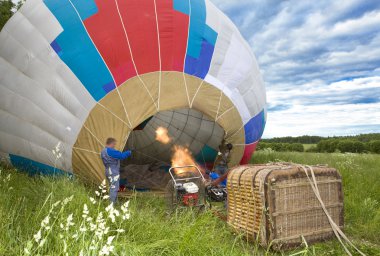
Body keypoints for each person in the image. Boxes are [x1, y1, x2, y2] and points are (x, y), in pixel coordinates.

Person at [101, 138, 132, 204]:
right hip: (113, 171)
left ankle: (114, 202)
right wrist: (129, 152)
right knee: (114, 188)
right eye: (114, 144)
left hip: (108, 170)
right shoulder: (110, 151)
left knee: (112, 187)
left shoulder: (103, 151)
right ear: (111, 143)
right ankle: (112, 205)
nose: (114, 146)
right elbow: (121, 156)